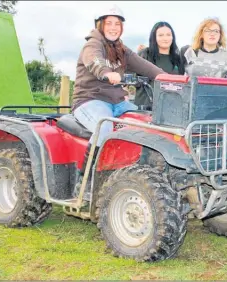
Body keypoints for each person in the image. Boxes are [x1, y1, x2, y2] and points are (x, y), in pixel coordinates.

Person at [71, 5, 165, 197]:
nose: (113, 27)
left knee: (148, 123)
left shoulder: (121, 49)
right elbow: (93, 61)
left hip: (118, 102)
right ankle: (86, 180)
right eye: (109, 23)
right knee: (105, 128)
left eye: (117, 24)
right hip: (89, 100)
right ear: (101, 24)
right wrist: (106, 73)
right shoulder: (92, 44)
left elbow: (146, 66)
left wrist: (167, 78)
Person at [135, 21, 184, 109]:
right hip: (145, 110)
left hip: (170, 110)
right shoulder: (144, 54)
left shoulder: (178, 59)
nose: (165, 38)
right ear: (154, 37)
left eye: (168, 35)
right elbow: (129, 77)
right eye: (161, 35)